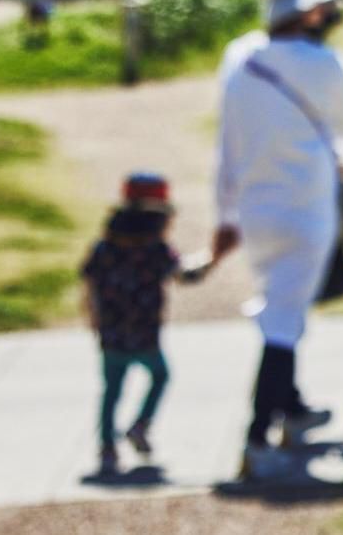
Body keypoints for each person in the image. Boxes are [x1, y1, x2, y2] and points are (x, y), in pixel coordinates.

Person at [214, 0, 343, 476]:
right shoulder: (327, 64)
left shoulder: (240, 57)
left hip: (256, 214)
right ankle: (258, 436)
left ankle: (295, 407)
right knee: (283, 321)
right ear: (309, 10)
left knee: (282, 308)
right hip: (306, 214)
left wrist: (223, 218)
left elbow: (227, 148)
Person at [81, 172, 230, 476]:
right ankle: (141, 425)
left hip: (111, 330)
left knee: (111, 390)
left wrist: (92, 316)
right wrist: (215, 256)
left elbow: (89, 283)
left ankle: (107, 448)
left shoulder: (105, 246)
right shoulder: (155, 249)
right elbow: (186, 274)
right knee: (160, 376)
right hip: (145, 331)